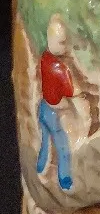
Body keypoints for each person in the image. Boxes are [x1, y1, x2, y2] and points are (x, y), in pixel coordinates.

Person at [36, 15, 75, 192]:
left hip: (43, 108)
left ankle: (40, 167)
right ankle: (65, 179)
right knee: (63, 148)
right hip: (53, 114)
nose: (65, 46)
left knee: (45, 142)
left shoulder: (44, 58)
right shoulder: (60, 69)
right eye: (62, 43)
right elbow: (70, 91)